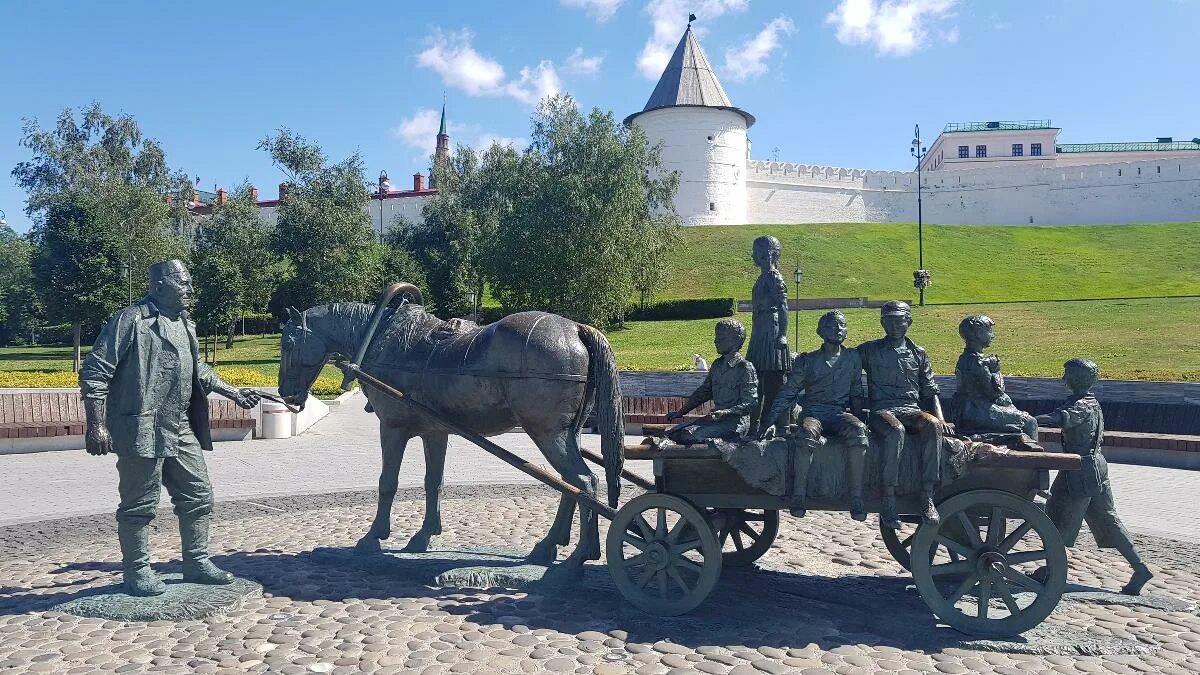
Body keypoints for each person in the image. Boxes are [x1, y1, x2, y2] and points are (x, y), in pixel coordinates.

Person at [80, 260, 260, 596]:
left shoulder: (185, 324)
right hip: (142, 427)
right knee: (139, 504)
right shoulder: (131, 320)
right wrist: (96, 425)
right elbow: (95, 371)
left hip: (180, 428)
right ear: (159, 285)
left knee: (199, 495)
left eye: (190, 283)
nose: (190, 290)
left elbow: (199, 371)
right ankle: (137, 572)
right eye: (183, 283)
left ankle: (196, 561)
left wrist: (233, 392)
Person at [1037, 358, 1152, 595]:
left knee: (1058, 516)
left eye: (1067, 374)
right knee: (1107, 519)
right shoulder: (1092, 402)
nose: (1063, 378)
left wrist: (1029, 420)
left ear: (1076, 379)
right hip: (1095, 466)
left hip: (1079, 470)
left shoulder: (1081, 405)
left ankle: (1052, 569)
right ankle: (1139, 568)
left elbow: (1061, 417)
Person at [761, 310, 869, 521]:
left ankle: (856, 496)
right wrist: (768, 421)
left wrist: (862, 421)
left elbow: (857, 392)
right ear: (820, 331)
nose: (837, 330)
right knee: (807, 433)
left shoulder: (852, 358)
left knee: (859, 432)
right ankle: (799, 494)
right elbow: (788, 392)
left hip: (839, 413)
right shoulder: (808, 361)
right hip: (814, 412)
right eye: (831, 326)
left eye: (841, 326)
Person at [857, 301, 948, 529]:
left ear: (909, 322)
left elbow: (930, 389)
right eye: (889, 320)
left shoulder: (918, 353)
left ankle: (926, 495)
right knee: (895, 430)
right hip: (882, 411)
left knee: (933, 426)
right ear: (881, 322)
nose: (894, 324)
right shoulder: (869, 350)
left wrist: (941, 418)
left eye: (899, 319)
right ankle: (888, 498)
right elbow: (840, 357)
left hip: (911, 409)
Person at [665, 319, 758, 445]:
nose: (715, 341)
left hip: (735, 425)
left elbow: (750, 402)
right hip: (716, 421)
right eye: (716, 337)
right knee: (673, 432)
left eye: (721, 338)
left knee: (687, 435)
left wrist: (726, 412)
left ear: (735, 340)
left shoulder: (745, 368)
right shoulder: (717, 365)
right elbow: (703, 392)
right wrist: (681, 412)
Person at [954, 315, 1037, 437]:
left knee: (1011, 408)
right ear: (978, 333)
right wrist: (996, 370)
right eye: (989, 331)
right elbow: (995, 392)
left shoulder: (965, 358)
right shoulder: (978, 362)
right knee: (1030, 422)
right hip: (976, 413)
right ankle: (1032, 456)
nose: (992, 335)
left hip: (964, 411)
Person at [746, 235, 790, 436]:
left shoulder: (774, 277)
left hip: (771, 332)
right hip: (760, 330)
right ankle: (755, 425)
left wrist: (782, 335)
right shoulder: (763, 277)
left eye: (757, 251)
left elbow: (783, 307)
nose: (753, 255)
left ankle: (773, 424)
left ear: (768, 254)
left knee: (773, 381)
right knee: (756, 378)